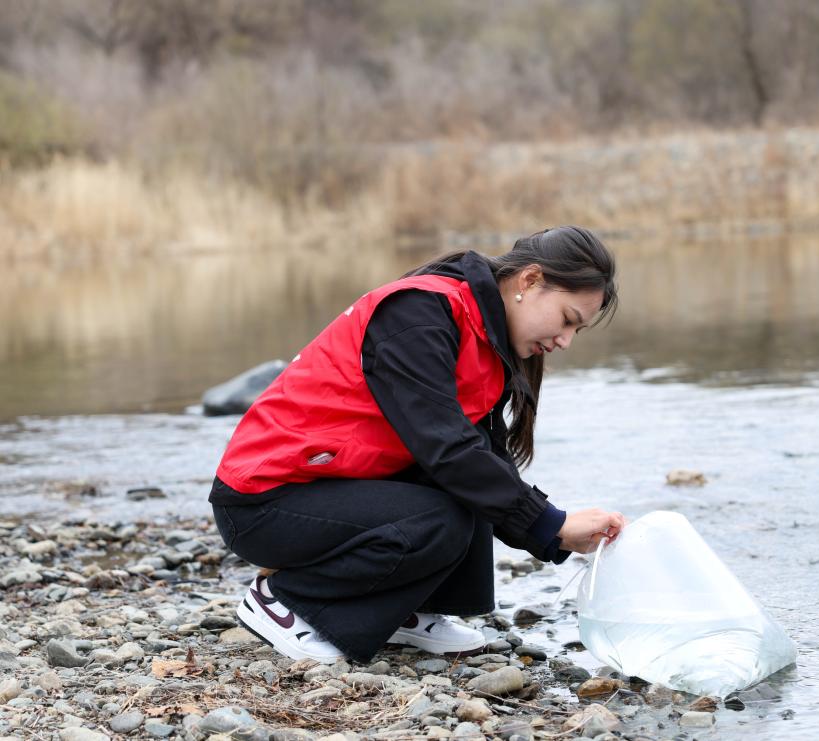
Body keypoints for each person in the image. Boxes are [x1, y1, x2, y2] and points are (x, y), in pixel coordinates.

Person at [209, 226, 626, 665]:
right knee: (440, 515)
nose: (564, 341)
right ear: (530, 280)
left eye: (577, 330)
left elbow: (482, 459)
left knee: (478, 482)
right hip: (263, 502)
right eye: (567, 319)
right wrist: (552, 525)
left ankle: (405, 611)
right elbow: (445, 448)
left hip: (332, 487)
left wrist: (553, 535)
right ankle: (286, 600)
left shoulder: (487, 339)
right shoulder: (418, 313)